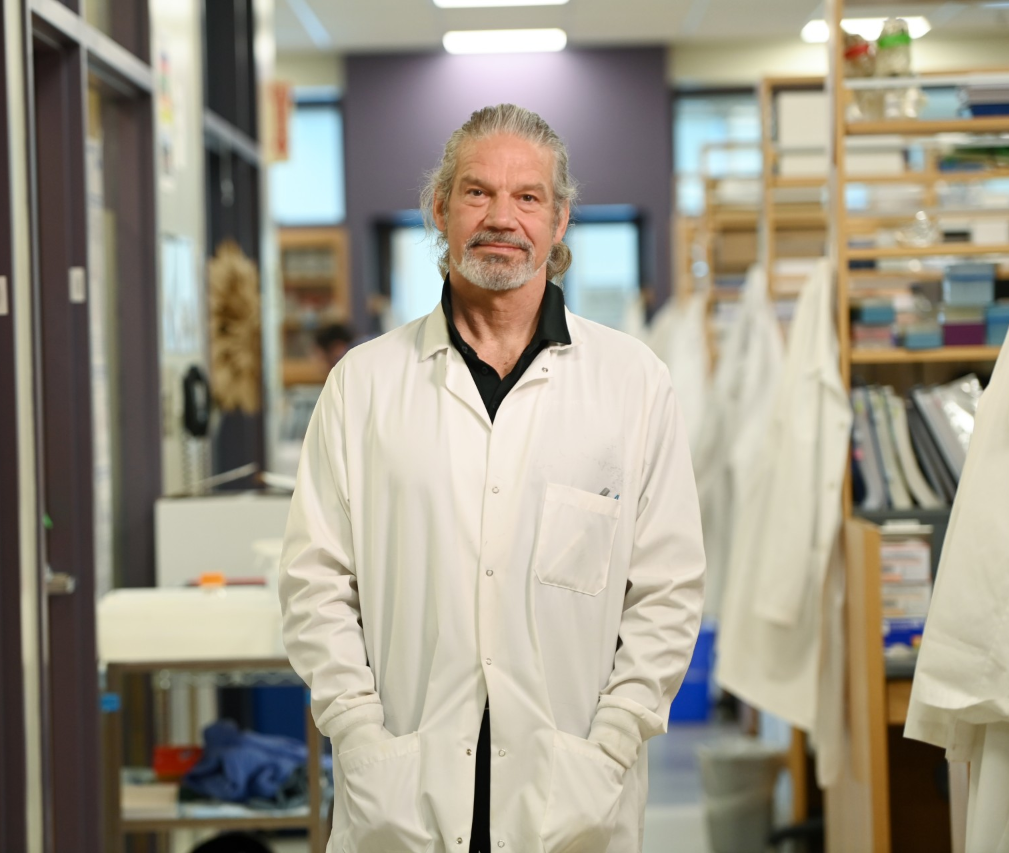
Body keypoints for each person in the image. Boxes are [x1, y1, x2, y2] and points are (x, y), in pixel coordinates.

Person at [280, 103, 705, 853]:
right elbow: (315, 582)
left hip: (573, 788)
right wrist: (359, 732)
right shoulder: (364, 384)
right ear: (439, 209)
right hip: (403, 789)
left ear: (560, 218)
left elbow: (668, 589)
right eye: (477, 192)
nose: (502, 217)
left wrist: (614, 738)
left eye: (528, 196)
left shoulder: (632, 382)